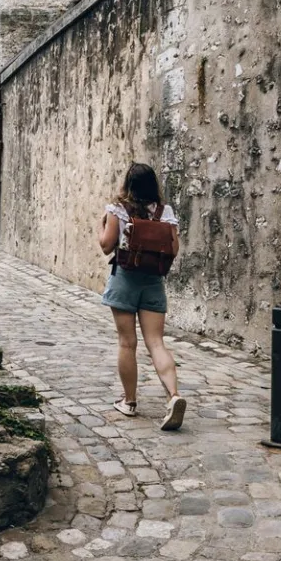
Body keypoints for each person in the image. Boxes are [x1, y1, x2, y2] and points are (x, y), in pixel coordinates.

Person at [97, 162, 188, 430]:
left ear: (128, 183)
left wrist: (99, 226)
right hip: (153, 282)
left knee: (127, 343)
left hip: (125, 279)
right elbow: (173, 249)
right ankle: (174, 395)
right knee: (157, 342)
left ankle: (129, 401)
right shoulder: (165, 212)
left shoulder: (117, 209)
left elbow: (106, 246)